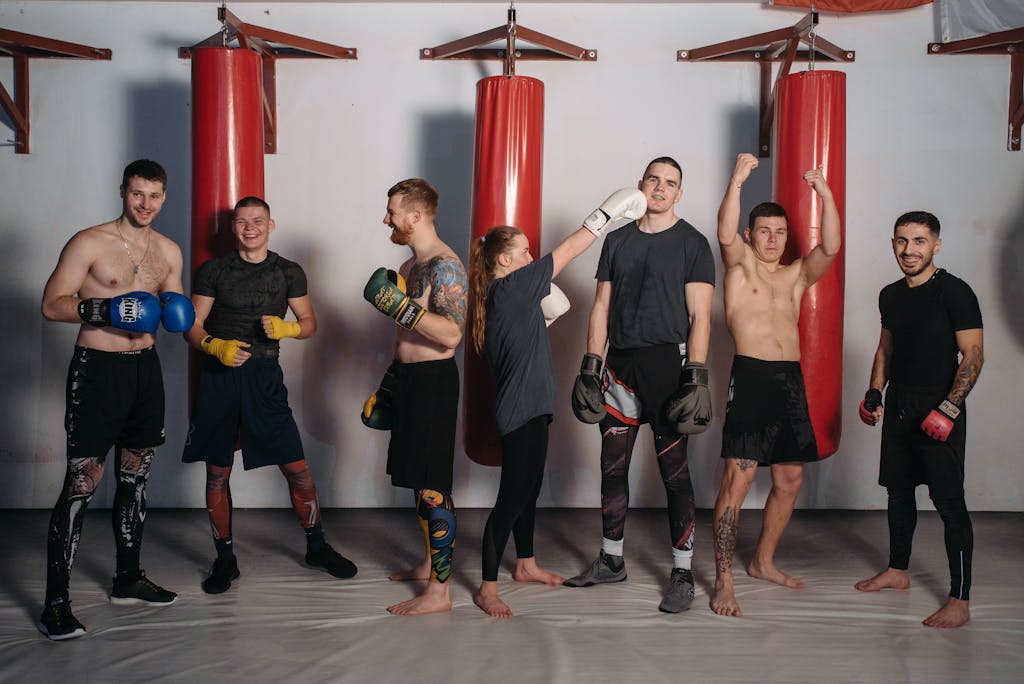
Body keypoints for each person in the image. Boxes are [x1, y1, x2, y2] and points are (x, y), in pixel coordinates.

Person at [467, 187, 647, 618]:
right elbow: (569, 248)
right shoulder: (510, 287)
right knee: (511, 498)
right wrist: (608, 212)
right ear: (505, 259)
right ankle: (487, 587)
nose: (532, 258)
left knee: (528, 492)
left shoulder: (507, 295)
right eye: (524, 251)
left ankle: (525, 564)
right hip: (519, 413)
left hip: (532, 409)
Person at [38, 159, 193, 640]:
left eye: (154, 196)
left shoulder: (169, 251)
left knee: (136, 474)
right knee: (83, 482)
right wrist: (104, 308)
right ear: (122, 192)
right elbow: (51, 304)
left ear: (164, 198)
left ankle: (127, 578)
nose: (145, 204)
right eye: (137, 194)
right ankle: (56, 603)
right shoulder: (89, 241)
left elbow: (175, 311)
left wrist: (200, 330)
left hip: (145, 371)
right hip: (97, 370)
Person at [563, 157, 715, 614]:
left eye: (671, 183)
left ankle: (683, 572)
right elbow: (601, 307)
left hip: (669, 369)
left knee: (675, 477)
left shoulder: (692, 242)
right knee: (612, 469)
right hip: (620, 368)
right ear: (640, 186)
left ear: (679, 193)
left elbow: (701, 316)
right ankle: (611, 561)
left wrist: (698, 375)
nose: (661, 188)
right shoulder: (617, 240)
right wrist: (591, 365)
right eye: (654, 180)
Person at [182, 196, 356, 594]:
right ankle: (225, 559)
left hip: (265, 378)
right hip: (219, 377)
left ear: (270, 225)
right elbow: (192, 325)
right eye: (242, 221)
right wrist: (213, 346)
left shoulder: (288, 271)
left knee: (297, 468)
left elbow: (310, 322)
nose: (249, 227)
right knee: (217, 474)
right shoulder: (214, 270)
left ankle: (317, 547)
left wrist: (289, 329)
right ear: (233, 227)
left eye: (257, 221)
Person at [710, 152, 840, 618]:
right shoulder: (739, 265)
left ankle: (763, 562)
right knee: (739, 478)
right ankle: (723, 580)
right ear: (751, 234)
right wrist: (738, 180)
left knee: (789, 478)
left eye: (780, 232)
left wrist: (824, 194)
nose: (772, 239)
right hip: (751, 378)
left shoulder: (795, 276)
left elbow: (829, 249)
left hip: (789, 382)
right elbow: (725, 233)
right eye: (764, 230)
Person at [854, 211, 983, 629]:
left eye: (919, 241)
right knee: (898, 492)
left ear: (936, 245)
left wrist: (949, 409)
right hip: (900, 406)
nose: (909, 251)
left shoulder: (955, 292)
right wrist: (875, 393)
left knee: (949, 504)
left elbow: (974, 355)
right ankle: (897, 570)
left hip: (939, 404)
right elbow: (885, 350)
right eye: (901, 241)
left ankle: (959, 600)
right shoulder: (890, 294)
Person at [362, 178, 467, 616]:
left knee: (434, 488)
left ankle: (440, 594)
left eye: (393, 211)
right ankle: (428, 564)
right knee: (418, 484)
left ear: (416, 216)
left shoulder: (446, 268)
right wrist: (388, 383)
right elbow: (404, 334)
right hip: (407, 380)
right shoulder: (407, 270)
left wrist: (401, 307)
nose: (386, 218)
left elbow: (451, 335)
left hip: (435, 383)